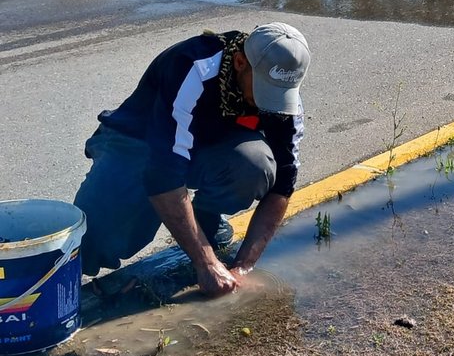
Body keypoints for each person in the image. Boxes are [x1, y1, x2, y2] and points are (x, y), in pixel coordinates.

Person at [74, 23, 310, 295]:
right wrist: (206, 262)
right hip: (137, 144)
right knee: (93, 241)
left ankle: (206, 225)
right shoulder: (193, 67)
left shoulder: (284, 100)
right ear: (240, 62)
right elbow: (163, 175)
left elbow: (283, 185)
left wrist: (242, 267)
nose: (270, 103)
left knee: (254, 165)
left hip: (203, 146)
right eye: (263, 89)